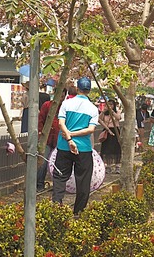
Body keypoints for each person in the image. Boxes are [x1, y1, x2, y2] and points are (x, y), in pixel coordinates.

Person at [52, 77, 99, 215]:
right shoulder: (93, 109)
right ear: (89, 90)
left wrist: (69, 137)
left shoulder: (66, 104)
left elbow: (61, 124)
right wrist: (74, 135)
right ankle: (78, 212)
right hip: (83, 149)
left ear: (77, 89)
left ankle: (56, 207)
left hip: (64, 146)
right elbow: (91, 130)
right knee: (83, 181)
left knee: (59, 176)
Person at [37, 92, 59, 191]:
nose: (61, 98)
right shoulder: (47, 105)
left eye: (63, 96)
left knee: (58, 163)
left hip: (59, 140)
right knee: (43, 162)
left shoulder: (65, 106)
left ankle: (57, 185)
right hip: (47, 139)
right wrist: (41, 133)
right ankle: (39, 184)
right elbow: (40, 120)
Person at [99, 98, 121, 173]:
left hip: (115, 131)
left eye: (111, 104)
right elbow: (99, 119)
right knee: (107, 149)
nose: (110, 106)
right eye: (108, 104)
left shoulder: (117, 111)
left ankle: (117, 166)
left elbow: (118, 118)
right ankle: (108, 166)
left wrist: (112, 112)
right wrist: (103, 111)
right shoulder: (105, 113)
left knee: (116, 149)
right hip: (107, 131)